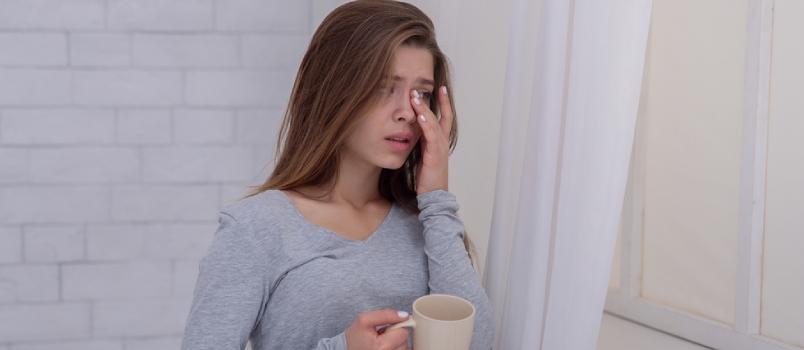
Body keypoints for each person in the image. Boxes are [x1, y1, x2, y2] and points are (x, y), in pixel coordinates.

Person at [180, 1, 494, 349]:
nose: (408, 112)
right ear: (335, 90)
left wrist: (436, 201)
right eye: (383, 87)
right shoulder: (256, 228)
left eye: (421, 94)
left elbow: (477, 342)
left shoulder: (430, 225)